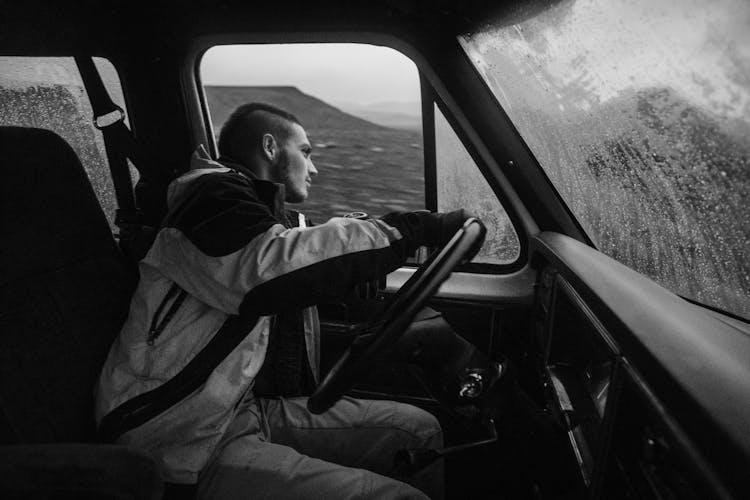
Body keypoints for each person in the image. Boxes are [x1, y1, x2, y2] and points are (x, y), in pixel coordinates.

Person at [95, 102, 476, 499]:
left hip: (237, 411)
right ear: (271, 147)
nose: (313, 169)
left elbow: (301, 251)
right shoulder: (210, 195)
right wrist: (414, 229)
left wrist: (354, 268)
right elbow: (264, 268)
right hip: (175, 430)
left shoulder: (254, 210)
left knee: (418, 432)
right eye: (306, 152)